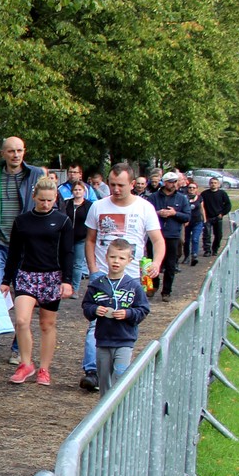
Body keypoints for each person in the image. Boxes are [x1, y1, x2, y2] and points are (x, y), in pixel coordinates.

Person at [79, 162, 164, 391]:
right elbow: (90, 240)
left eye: (121, 185)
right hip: (102, 275)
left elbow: (157, 240)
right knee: (95, 321)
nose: (116, 189)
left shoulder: (145, 208)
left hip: (132, 276)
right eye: (112, 184)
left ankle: (121, 369)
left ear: (132, 184)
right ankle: (92, 371)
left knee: (126, 320)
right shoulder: (98, 206)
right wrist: (93, 269)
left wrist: (155, 263)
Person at [0, 135, 44, 366]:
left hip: (26, 245)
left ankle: (17, 349)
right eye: (11, 151)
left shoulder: (35, 175)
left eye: (19, 150)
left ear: (24, 151)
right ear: (3, 153)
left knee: (24, 295)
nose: (16, 155)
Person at [1, 178, 74, 386]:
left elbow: (67, 252)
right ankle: (25, 363)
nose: (45, 204)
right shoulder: (22, 221)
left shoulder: (62, 221)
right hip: (26, 275)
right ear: (34, 197)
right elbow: (14, 252)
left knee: (47, 324)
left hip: (52, 276)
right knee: (22, 320)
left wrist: (67, 280)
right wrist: (6, 279)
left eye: (50, 200)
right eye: (42, 200)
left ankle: (44, 368)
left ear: (56, 199)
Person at [82, 239, 150, 396]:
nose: (116, 261)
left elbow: (143, 309)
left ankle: (119, 408)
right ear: (106, 257)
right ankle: (105, 408)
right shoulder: (97, 285)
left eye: (121, 258)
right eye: (113, 257)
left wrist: (128, 314)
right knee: (104, 380)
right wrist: (95, 309)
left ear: (129, 261)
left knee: (120, 377)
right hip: (103, 341)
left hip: (124, 340)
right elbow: (86, 306)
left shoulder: (133, 286)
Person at [148, 171, 190, 302]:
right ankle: (153, 285)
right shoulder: (154, 197)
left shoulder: (182, 198)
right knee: (152, 261)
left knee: (171, 265)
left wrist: (174, 213)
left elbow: (187, 216)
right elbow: (146, 213)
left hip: (172, 235)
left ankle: (166, 291)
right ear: (164, 183)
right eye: (170, 182)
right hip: (155, 234)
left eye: (175, 182)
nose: (173, 184)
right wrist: (158, 213)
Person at [61, 180, 93, 296]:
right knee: (65, 262)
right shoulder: (66, 203)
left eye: (80, 190)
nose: (77, 192)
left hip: (81, 238)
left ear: (84, 191)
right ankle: (64, 285)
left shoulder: (89, 205)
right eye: (75, 190)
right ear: (72, 191)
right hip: (67, 237)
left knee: (78, 264)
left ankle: (75, 289)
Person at [201, 176, 232, 256]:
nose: (213, 184)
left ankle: (215, 249)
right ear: (209, 184)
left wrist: (222, 214)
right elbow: (200, 205)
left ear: (218, 184)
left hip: (218, 217)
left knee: (218, 235)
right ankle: (207, 250)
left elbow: (228, 205)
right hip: (207, 217)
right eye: (211, 183)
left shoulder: (222, 194)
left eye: (215, 183)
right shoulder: (204, 194)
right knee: (207, 235)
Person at [183, 181, 204, 267]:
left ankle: (194, 255)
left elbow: (202, 209)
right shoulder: (184, 198)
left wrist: (204, 220)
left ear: (196, 189)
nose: (191, 189)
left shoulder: (199, 198)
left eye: (193, 188)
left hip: (197, 221)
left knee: (195, 239)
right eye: (190, 187)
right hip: (187, 222)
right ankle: (186, 256)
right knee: (186, 240)